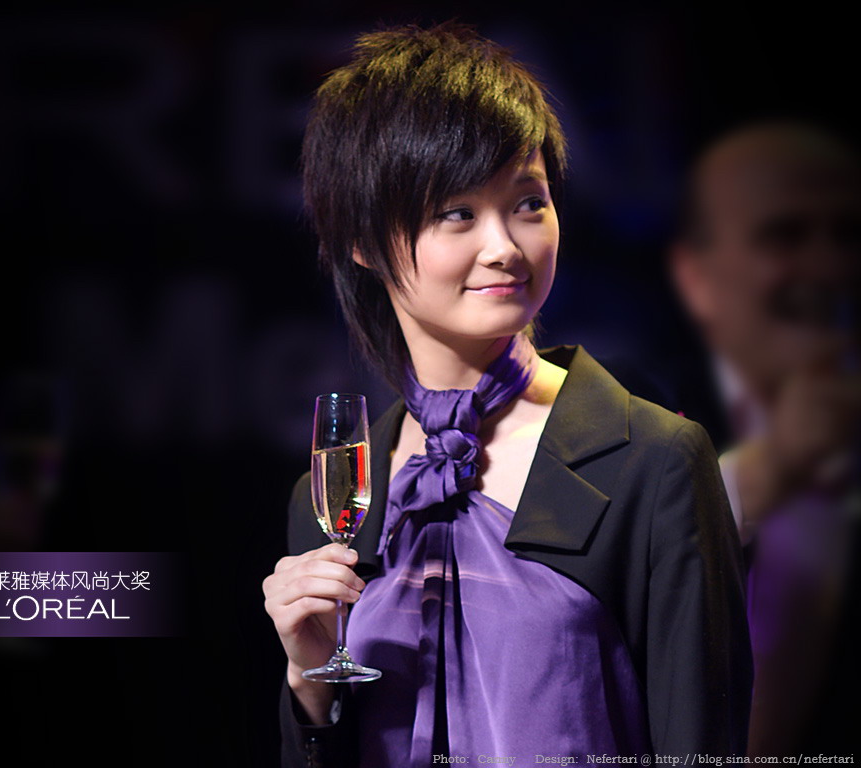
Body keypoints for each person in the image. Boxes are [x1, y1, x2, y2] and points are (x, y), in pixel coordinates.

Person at [263, 22, 752, 767]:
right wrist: (307, 681)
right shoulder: (334, 495)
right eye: (457, 213)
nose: (504, 247)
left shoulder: (653, 463)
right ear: (363, 241)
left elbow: (703, 744)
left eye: (528, 203)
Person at [669, 121, 861, 756]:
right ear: (697, 277)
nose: (831, 267)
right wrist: (778, 466)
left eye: (849, 234)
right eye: (786, 235)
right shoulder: (630, 407)